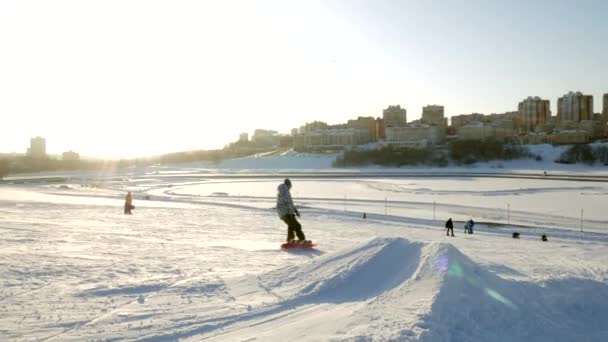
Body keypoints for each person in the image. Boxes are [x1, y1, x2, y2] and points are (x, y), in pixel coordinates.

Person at [276, 179, 309, 244]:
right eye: (291, 185)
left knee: (294, 225)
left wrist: (295, 211)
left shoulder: (285, 191)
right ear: (289, 185)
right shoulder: (285, 191)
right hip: (285, 212)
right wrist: (292, 211)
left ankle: (294, 239)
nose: (291, 187)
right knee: (294, 225)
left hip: (286, 212)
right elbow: (288, 202)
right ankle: (299, 239)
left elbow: (289, 203)